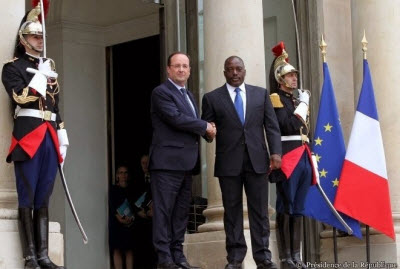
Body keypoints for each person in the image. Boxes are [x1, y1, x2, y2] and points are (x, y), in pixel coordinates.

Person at [1, 3, 68, 269]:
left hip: (49, 134)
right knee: (27, 195)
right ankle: (30, 257)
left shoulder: (49, 65)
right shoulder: (12, 67)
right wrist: (38, 79)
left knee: (43, 196)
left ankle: (43, 254)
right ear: (23, 39)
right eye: (35, 36)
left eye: (42, 37)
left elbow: (55, 104)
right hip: (28, 135)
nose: (40, 41)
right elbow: (19, 97)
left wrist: (62, 133)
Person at [201, 56, 282, 269]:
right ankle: (235, 258)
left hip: (257, 161)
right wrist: (209, 134)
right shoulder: (212, 98)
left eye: (238, 69)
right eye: (230, 70)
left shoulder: (260, 94)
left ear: (244, 71)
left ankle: (263, 257)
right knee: (232, 211)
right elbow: (207, 129)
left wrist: (276, 153)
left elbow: (271, 127)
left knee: (260, 211)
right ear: (224, 73)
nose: (235, 73)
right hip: (229, 163)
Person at [149, 52, 216, 269]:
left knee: (180, 213)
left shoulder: (189, 94)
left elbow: (190, 122)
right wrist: (204, 126)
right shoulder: (161, 92)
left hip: (187, 164)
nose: (181, 70)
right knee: (164, 212)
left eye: (185, 66)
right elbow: (176, 118)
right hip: (166, 164)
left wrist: (207, 132)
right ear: (168, 69)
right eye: (176, 66)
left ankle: (178, 255)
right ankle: (164, 258)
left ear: (189, 70)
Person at [268, 42, 315, 269]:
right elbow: (286, 125)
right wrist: (304, 105)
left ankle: (296, 255)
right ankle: (286, 257)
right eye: (289, 75)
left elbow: (305, 131)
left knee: (298, 207)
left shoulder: (296, 100)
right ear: (280, 79)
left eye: (295, 75)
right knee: (285, 205)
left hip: (304, 154)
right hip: (288, 155)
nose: (294, 79)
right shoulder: (276, 99)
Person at [132, 154, 156, 269]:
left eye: (147, 162)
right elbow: (132, 198)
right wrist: (138, 212)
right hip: (140, 221)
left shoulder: (157, 178)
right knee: (141, 249)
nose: (145, 165)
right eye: (143, 163)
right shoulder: (136, 180)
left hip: (155, 220)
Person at [109, 165, 135, 269]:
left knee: (129, 250)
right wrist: (120, 218)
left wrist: (131, 219)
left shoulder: (132, 190)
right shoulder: (113, 190)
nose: (123, 175)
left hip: (130, 223)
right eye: (120, 172)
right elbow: (112, 206)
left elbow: (135, 206)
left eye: (125, 172)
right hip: (117, 224)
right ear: (117, 176)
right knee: (117, 249)